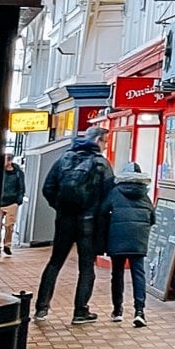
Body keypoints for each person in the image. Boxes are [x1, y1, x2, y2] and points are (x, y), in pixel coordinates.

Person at [34, 128, 115, 324]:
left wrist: (60, 207)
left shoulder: (64, 159)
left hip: (64, 219)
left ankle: (41, 308)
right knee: (86, 267)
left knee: (55, 262)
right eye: (105, 142)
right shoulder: (101, 163)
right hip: (89, 221)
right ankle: (80, 311)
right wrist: (97, 213)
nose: (105, 146)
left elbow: (48, 188)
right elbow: (109, 195)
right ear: (98, 140)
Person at [100, 161, 155, 327]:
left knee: (117, 273)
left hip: (118, 237)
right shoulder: (144, 195)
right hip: (138, 238)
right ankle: (140, 312)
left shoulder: (115, 192)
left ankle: (117, 310)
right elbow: (152, 218)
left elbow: (103, 211)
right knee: (138, 274)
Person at [0, 153, 26, 256]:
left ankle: (7, 245)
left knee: (9, 226)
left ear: (10, 161)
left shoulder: (18, 173)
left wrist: (18, 201)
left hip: (12, 203)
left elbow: (21, 187)